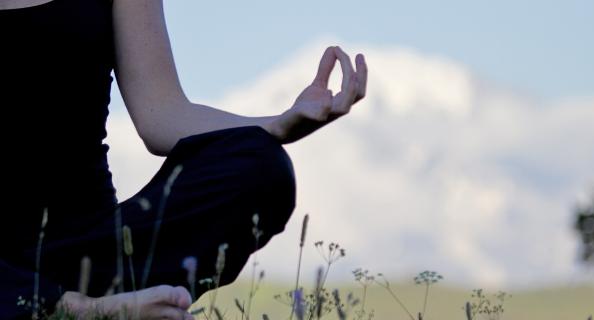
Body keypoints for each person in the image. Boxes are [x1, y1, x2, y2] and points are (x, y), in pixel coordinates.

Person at [0, 0, 367, 319]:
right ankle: (76, 308)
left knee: (261, 165)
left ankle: (69, 297)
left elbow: (161, 114)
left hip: (87, 249)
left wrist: (279, 125)